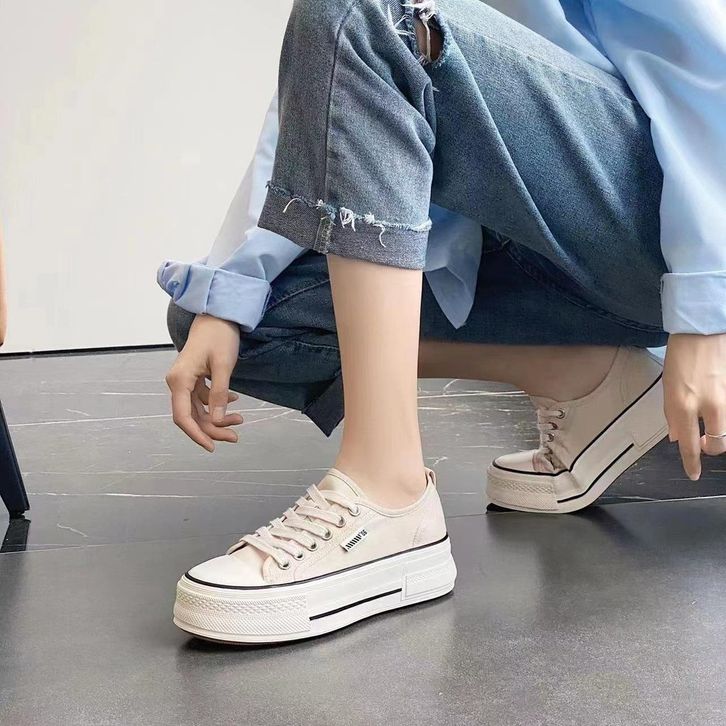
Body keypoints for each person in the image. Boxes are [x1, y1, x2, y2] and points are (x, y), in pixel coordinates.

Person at [159, 0, 726, 643]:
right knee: (235, 320)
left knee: (366, 13)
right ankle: (592, 382)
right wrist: (234, 283)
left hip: (666, 207)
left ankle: (388, 490)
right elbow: (323, 104)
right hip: (545, 230)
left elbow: (702, 58)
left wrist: (707, 302)